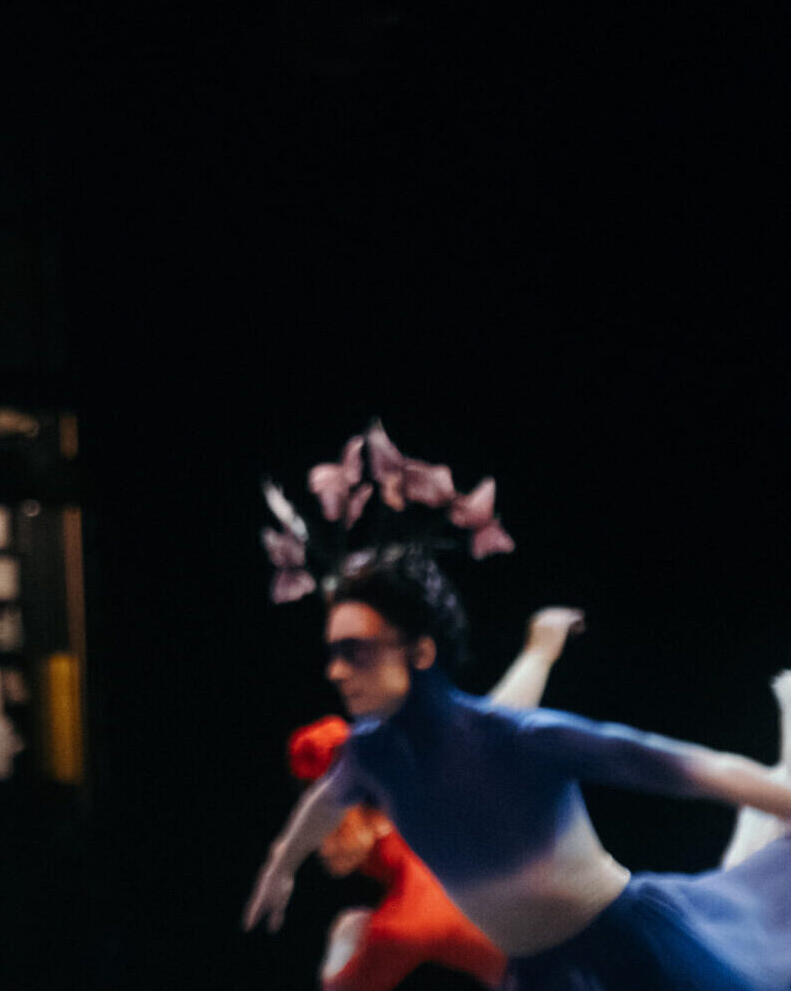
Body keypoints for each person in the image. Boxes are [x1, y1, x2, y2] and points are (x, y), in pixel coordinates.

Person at [244, 425, 791, 991]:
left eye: (354, 652)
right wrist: (280, 865)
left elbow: (695, 770)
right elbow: (321, 807)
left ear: (421, 651)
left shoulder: (519, 737)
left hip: (631, 947)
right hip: (540, 975)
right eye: (333, 653)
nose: (335, 671)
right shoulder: (370, 755)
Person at [288, 606, 585, 991]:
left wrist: (344, 945)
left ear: (374, 818)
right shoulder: (429, 812)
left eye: (331, 826)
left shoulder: (408, 915)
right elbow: (497, 723)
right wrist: (541, 649)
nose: (320, 845)